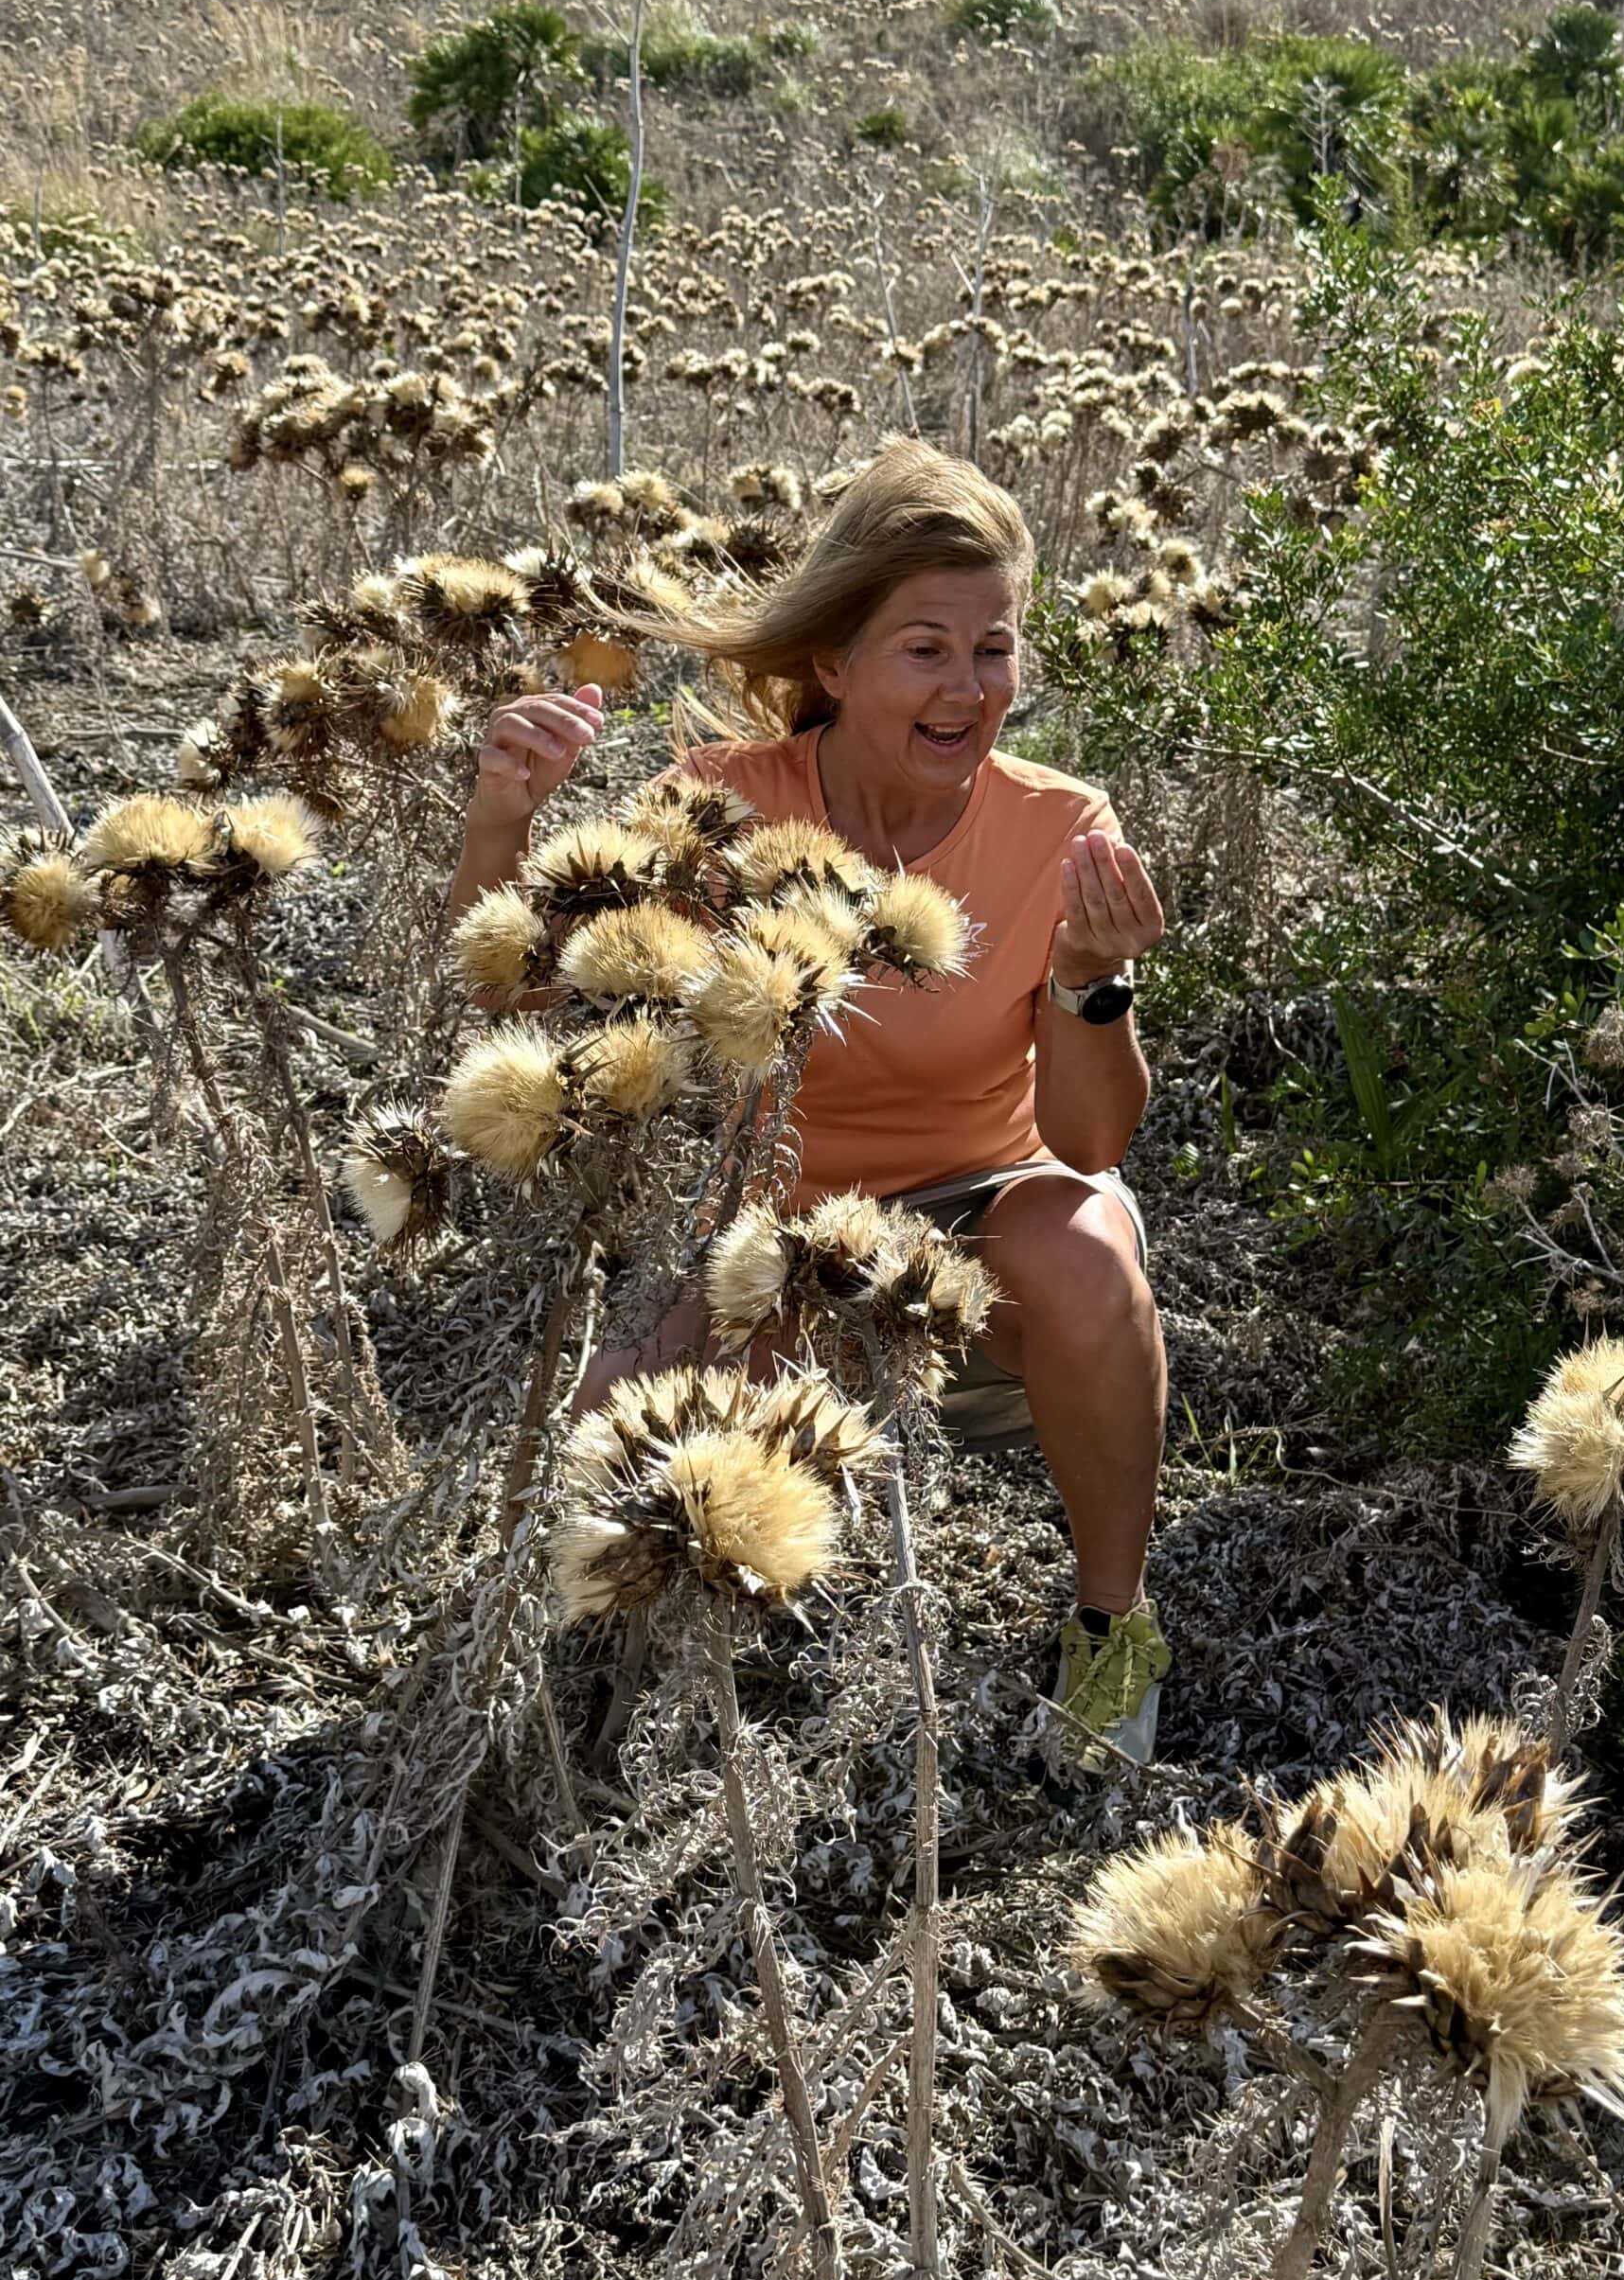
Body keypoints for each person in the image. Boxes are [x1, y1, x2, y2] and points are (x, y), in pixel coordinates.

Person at [450, 439, 1172, 1770]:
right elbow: (517, 1010)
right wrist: (504, 817)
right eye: (927, 649)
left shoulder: (1061, 827)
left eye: (994, 649)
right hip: (760, 1242)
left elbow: (1091, 1142)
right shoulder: (720, 810)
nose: (969, 688)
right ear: (834, 664)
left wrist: (1090, 981)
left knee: (1080, 1243)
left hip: (986, 1230)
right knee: (609, 1462)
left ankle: (1112, 1624)